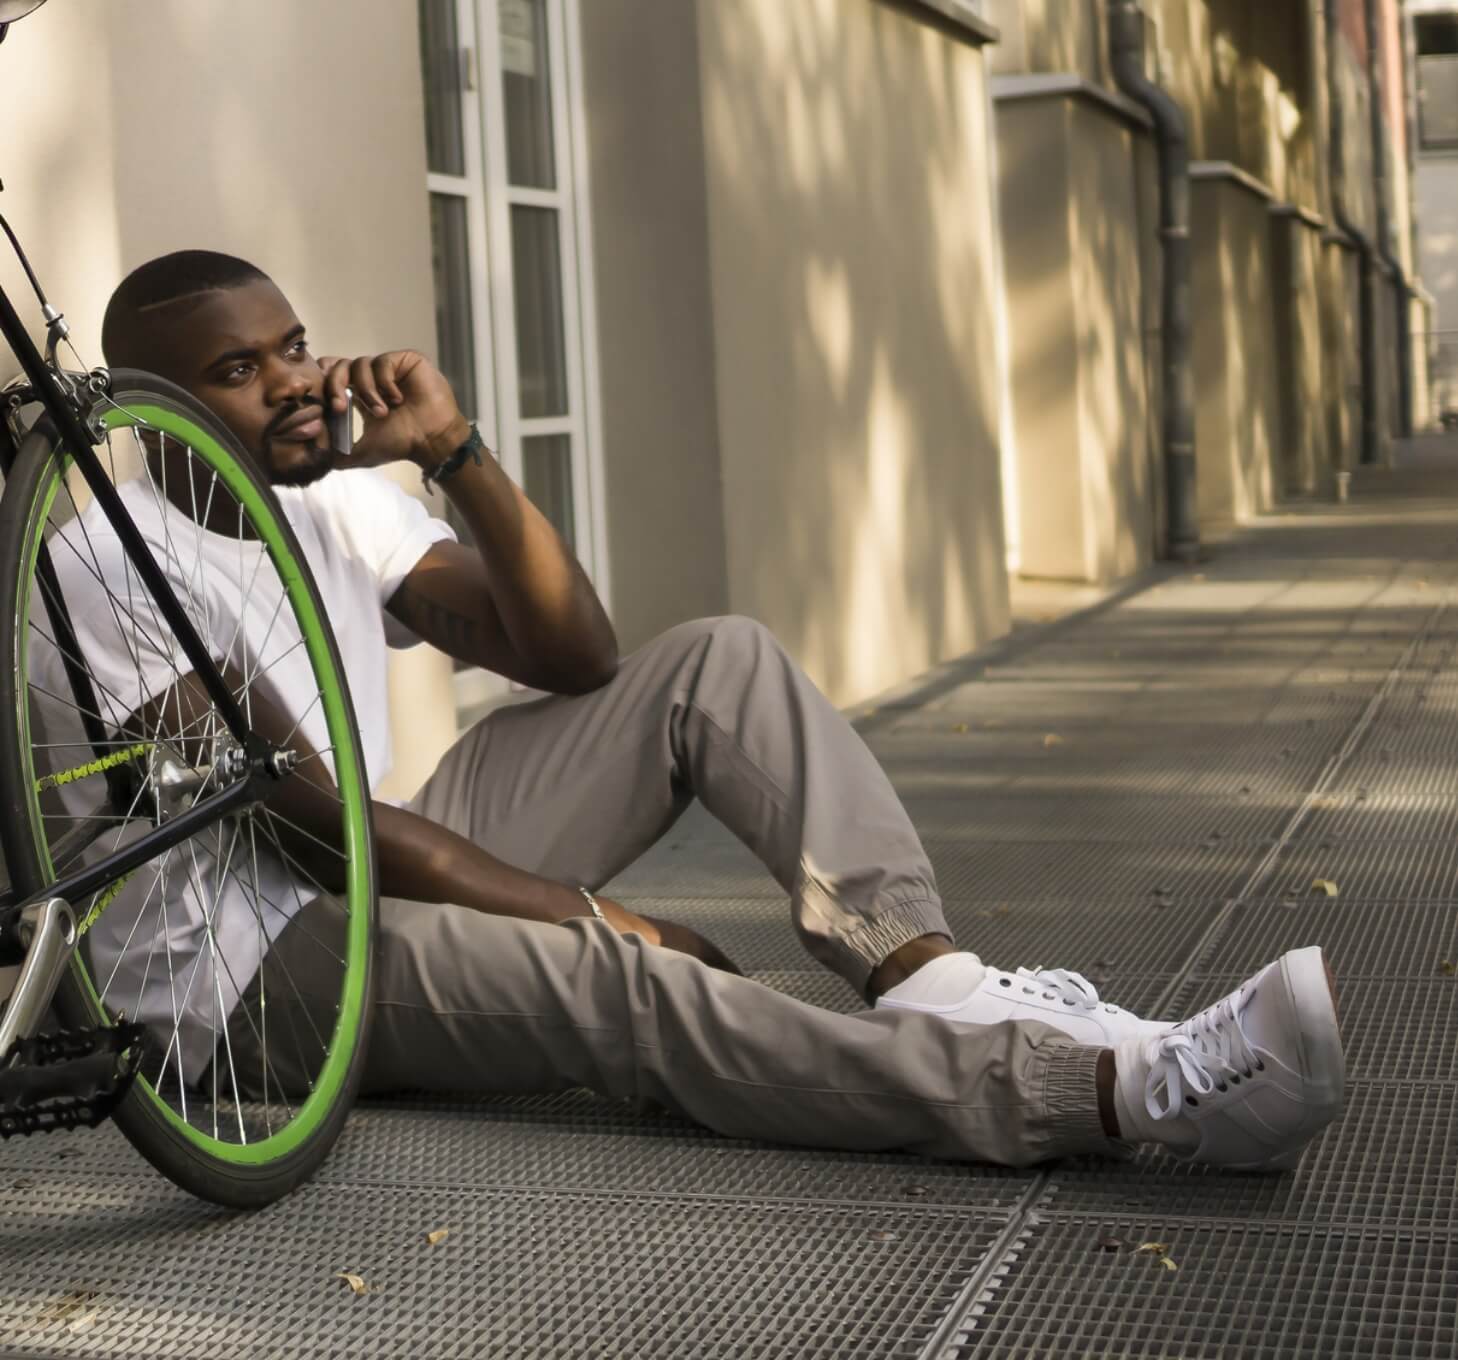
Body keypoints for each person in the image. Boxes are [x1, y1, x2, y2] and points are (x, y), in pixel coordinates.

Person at [60, 249, 1343, 1171]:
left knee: (713, 661)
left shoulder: (331, 502)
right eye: (239, 369)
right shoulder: (107, 562)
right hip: (247, 974)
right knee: (618, 980)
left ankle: (930, 977)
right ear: (152, 407)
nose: (291, 382)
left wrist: (455, 456)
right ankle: (1116, 1091)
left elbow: (577, 656)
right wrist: (602, 913)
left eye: (294, 345)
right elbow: (314, 834)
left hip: (373, 862)